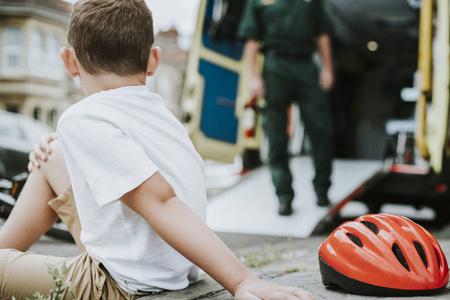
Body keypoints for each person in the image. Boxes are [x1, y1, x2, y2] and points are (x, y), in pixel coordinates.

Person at [0, 0, 315, 299]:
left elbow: (160, 200)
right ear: (153, 60)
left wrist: (242, 280)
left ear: (69, 61)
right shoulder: (162, 116)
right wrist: (59, 142)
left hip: (119, 285)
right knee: (51, 156)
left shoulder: (82, 117)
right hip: (161, 268)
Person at [238, 0, 335, 216]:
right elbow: (252, 40)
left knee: (321, 129)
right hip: (275, 66)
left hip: (306, 65)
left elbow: (322, 33)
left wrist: (327, 68)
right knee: (276, 133)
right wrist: (253, 76)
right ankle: (283, 195)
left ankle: (322, 189)